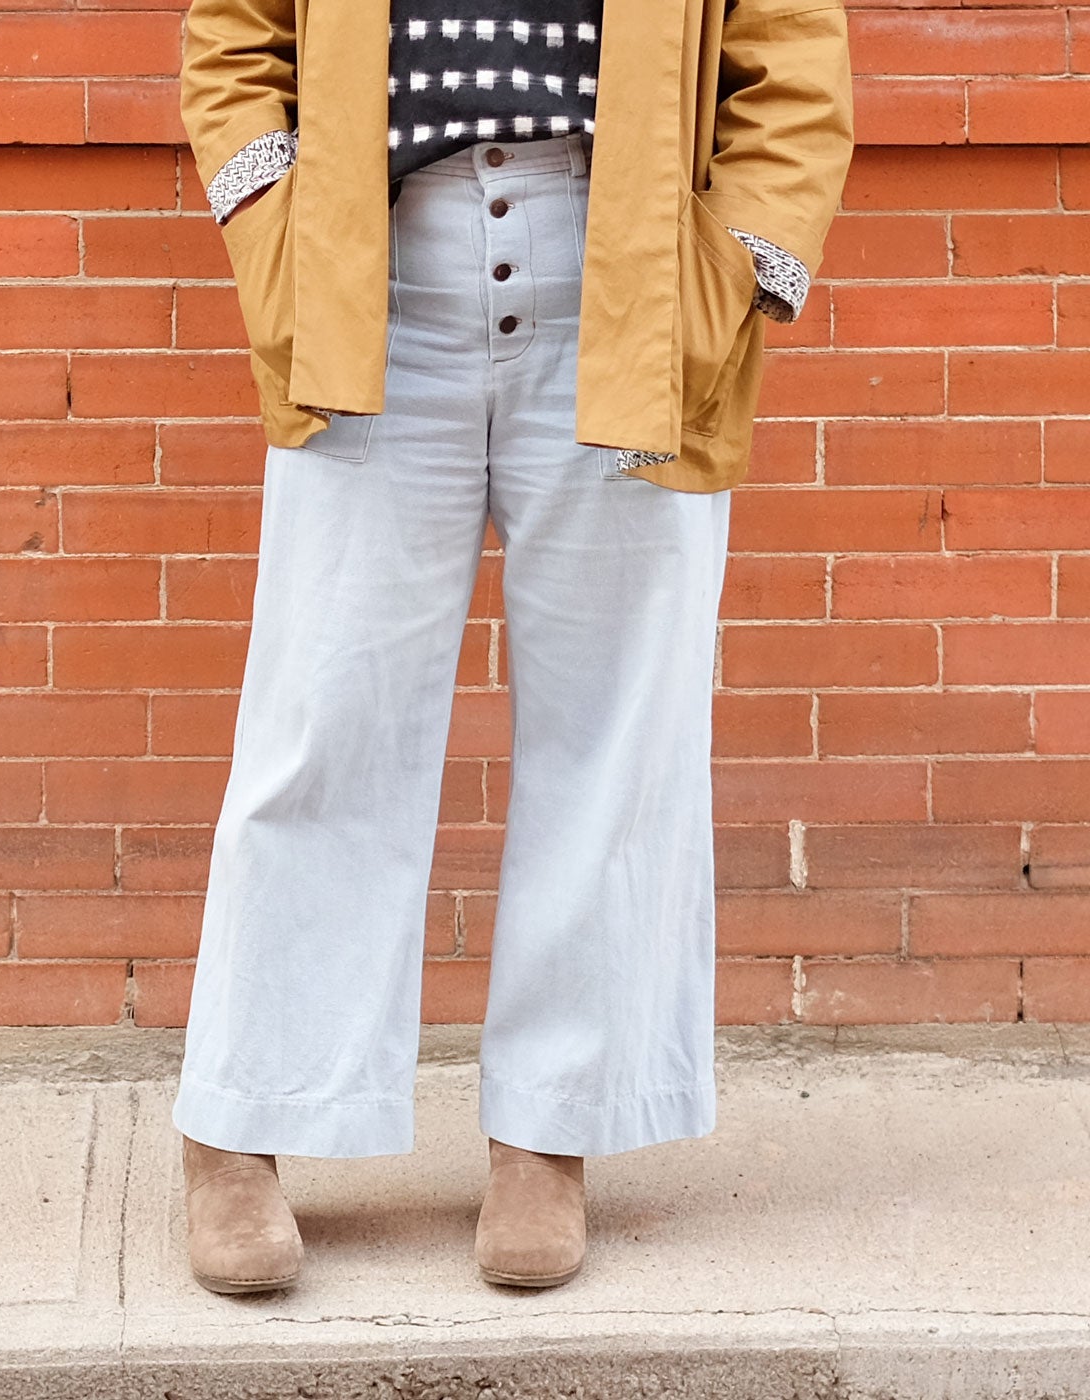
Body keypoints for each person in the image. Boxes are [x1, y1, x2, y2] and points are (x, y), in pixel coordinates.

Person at [170, 0, 854, 1292]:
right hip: (373, 276)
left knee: (614, 742)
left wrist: (728, 276)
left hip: (632, 283)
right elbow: (234, 43)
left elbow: (792, 70)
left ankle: (549, 1132)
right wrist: (275, 246)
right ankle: (241, 1125)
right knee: (323, 726)